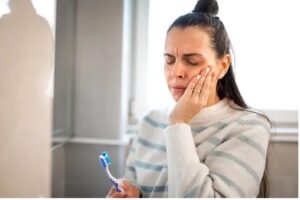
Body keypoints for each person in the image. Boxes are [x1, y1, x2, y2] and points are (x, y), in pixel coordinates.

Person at [107, 0, 270, 197]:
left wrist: (179, 124)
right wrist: (135, 194)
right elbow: (135, 185)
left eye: (192, 61)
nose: (176, 72)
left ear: (223, 65)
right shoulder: (149, 122)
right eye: (169, 59)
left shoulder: (248, 127)